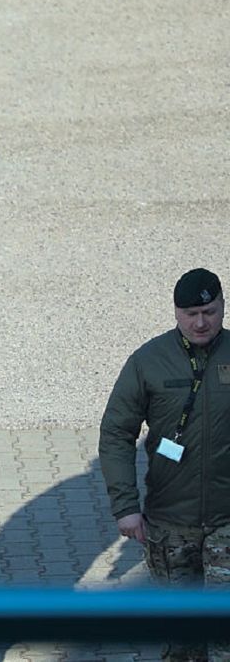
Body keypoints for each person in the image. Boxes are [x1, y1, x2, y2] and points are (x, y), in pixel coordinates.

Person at [99, 267, 230, 662]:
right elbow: (116, 434)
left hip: (228, 521)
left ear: (223, 306)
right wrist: (125, 507)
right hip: (169, 525)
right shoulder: (148, 361)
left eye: (209, 311)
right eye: (191, 313)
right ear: (176, 313)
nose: (201, 322)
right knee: (182, 639)